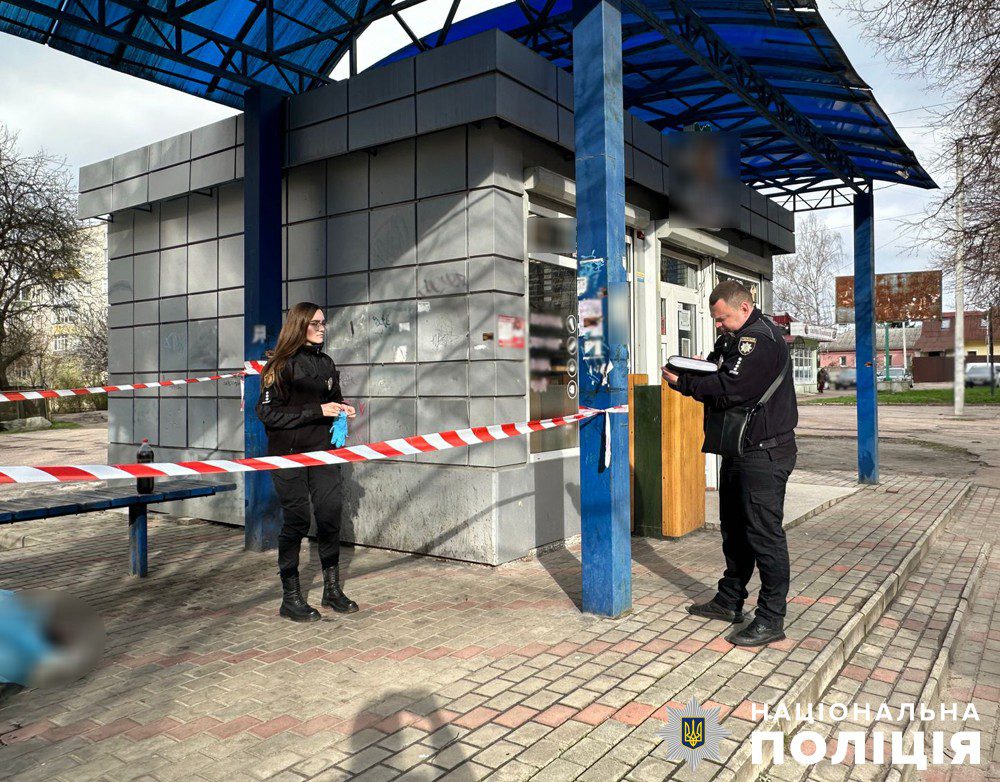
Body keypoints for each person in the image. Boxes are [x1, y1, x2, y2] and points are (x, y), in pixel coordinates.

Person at [661, 280, 798, 647]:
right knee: (734, 530)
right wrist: (694, 370)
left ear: (744, 307)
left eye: (722, 319)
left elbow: (730, 388)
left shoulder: (759, 340)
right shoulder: (734, 338)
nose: (718, 325)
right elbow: (718, 373)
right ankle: (729, 599)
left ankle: (771, 618)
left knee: (764, 536)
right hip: (741, 450)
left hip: (764, 453)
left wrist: (685, 383)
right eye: (715, 320)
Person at [255, 302, 358, 622]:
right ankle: (291, 598)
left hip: (324, 452)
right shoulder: (278, 365)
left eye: (323, 323)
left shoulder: (326, 363)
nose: (322, 328)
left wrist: (342, 408)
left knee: (330, 515)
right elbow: (268, 414)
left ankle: (332, 590)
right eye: (315, 323)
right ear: (299, 325)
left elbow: (332, 399)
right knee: (297, 521)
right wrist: (317, 411)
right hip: (288, 455)